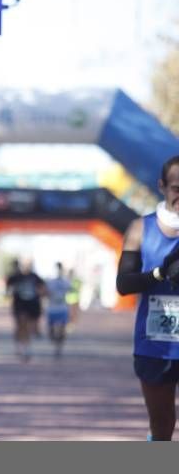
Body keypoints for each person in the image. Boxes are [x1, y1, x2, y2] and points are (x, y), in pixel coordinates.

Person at [117, 155, 179, 441]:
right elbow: (123, 284)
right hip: (154, 344)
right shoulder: (141, 229)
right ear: (162, 186)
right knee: (162, 423)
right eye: (177, 188)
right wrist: (158, 274)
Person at [6, 258, 46, 362]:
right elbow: (8, 286)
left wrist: (41, 294)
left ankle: (26, 346)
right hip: (19, 305)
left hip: (32, 305)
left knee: (28, 327)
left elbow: (42, 288)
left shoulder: (34, 277)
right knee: (21, 325)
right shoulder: (16, 276)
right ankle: (20, 345)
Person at [45, 262, 72, 358]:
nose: (58, 271)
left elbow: (71, 292)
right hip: (52, 309)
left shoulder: (66, 281)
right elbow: (45, 293)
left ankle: (59, 348)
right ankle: (54, 340)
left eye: (60, 269)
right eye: (57, 269)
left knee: (62, 330)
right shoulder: (50, 281)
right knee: (51, 332)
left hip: (62, 308)